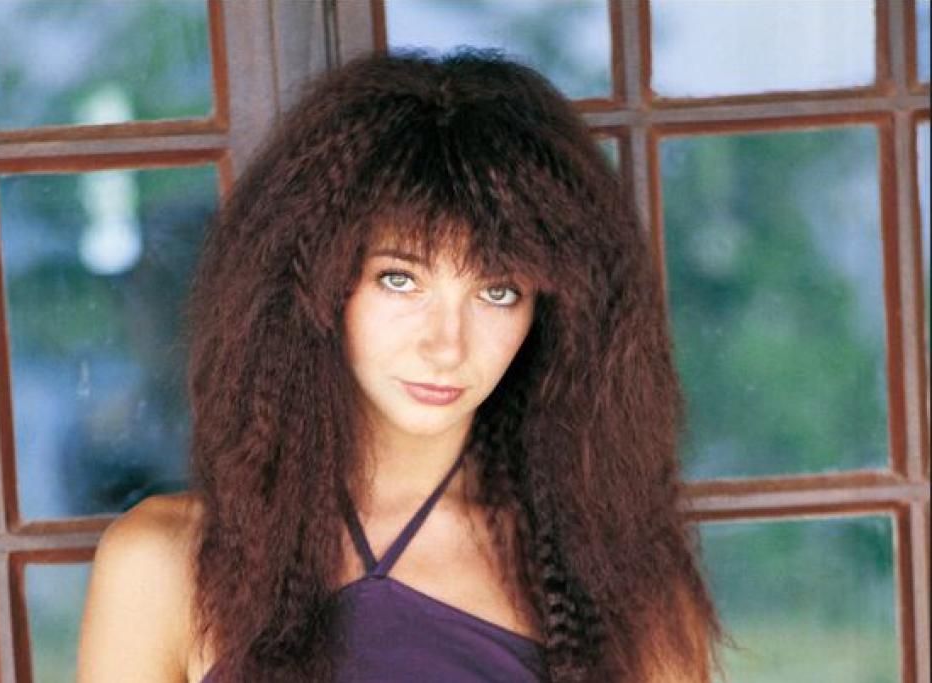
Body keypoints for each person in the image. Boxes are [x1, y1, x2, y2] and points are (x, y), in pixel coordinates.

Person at [77, 48, 721, 683]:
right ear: (313, 284)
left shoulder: (622, 590)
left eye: (497, 292)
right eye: (399, 279)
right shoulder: (160, 563)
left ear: (553, 315)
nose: (446, 344)